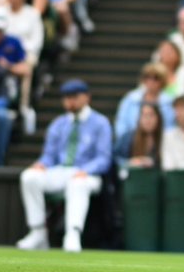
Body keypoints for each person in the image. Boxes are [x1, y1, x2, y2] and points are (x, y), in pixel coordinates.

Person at [16, 79, 113, 252]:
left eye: (75, 97)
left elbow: (104, 159)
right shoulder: (58, 124)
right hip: (61, 171)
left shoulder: (101, 123)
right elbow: (49, 156)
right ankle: (38, 232)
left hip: (89, 175)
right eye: (67, 97)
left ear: (87, 98)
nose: (70, 101)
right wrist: (41, 164)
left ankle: (73, 234)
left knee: (77, 184)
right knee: (29, 177)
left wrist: (86, 170)